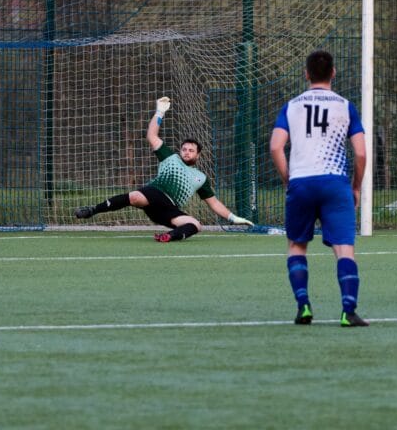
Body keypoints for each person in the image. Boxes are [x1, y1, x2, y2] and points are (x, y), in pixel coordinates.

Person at [269, 50, 368, 327]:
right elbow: (360, 153)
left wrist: (289, 178)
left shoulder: (292, 105)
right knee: (344, 248)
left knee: (297, 245)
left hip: (301, 182)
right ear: (333, 73)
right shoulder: (345, 105)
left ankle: (303, 307)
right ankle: (348, 312)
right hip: (335, 183)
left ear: (306, 73)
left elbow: (276, 146)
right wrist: (356, 187)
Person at [74, 96, 254, 241]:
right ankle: (92, 210)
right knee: (136, 196)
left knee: (196, 225)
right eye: (184, 149)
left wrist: (233, 218)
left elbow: (214, 203)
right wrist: (159, 112)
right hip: (155, 193)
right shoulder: (170, 157)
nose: (187, 152)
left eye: (191, 150)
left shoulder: (201, 178)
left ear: (198, 155)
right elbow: (151, 135)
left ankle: (168, 236)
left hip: (169, 208)